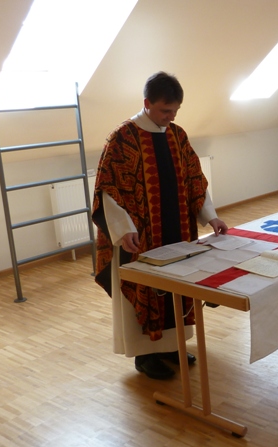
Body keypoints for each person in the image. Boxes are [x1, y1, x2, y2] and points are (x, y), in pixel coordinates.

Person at [92, 71, 229, 380]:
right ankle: (145, 356)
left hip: (177, 231)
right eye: (165, 110)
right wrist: (123, 228)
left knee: (176, 288)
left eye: (175, 110)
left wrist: (211, 216)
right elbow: (108, 190)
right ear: (147, 103)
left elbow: (194, 179)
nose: (171, 117)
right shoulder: (122, 138)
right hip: (139, 237)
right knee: (145, 289)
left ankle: (171, 346)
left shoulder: (177, 135)